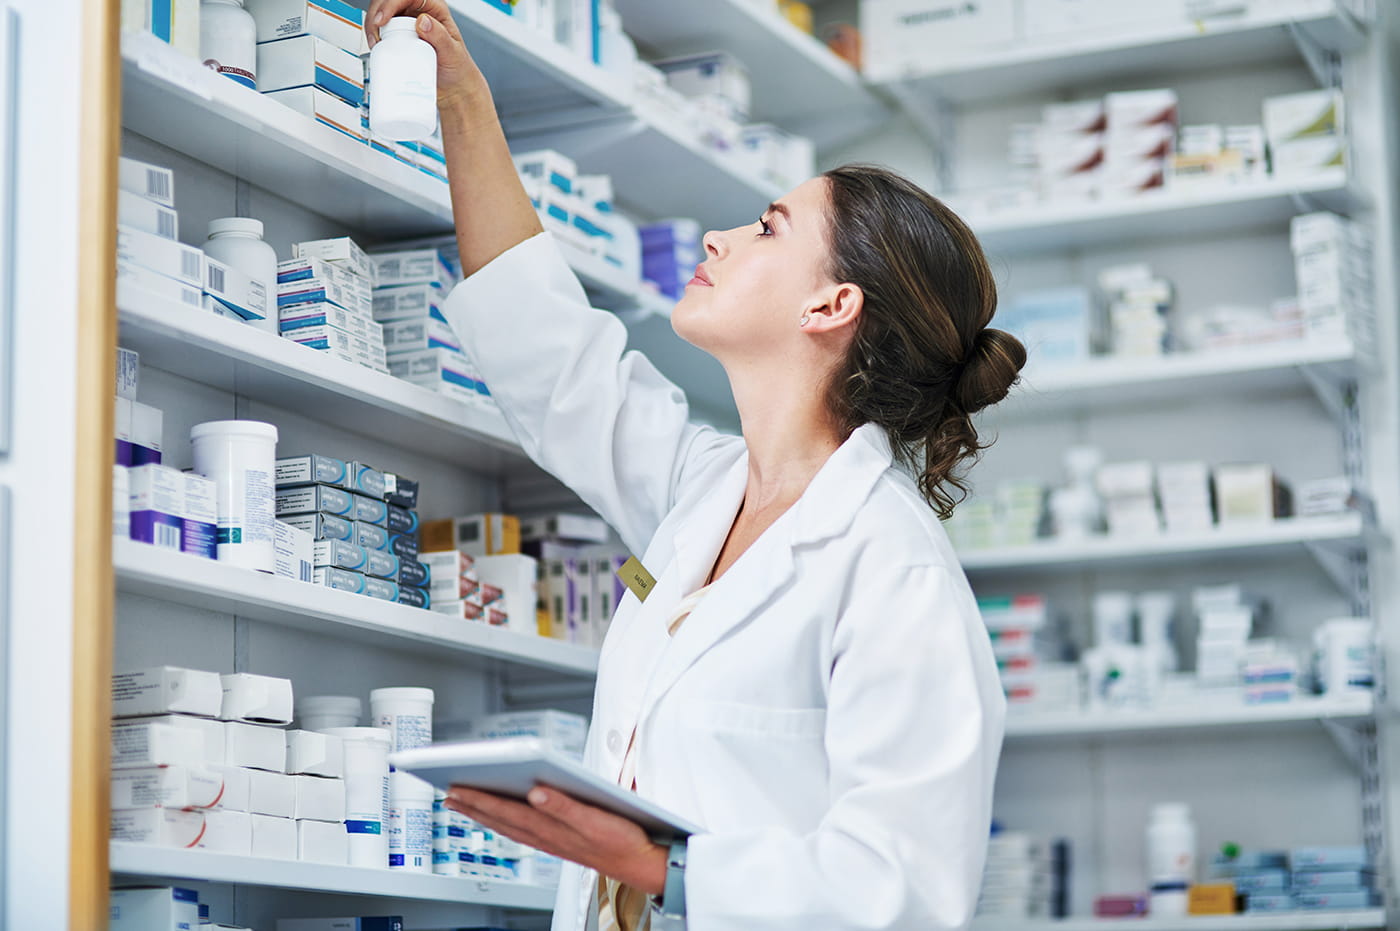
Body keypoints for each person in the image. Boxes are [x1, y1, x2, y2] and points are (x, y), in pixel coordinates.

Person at [366, 3, 1027, 928]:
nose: (720, 239)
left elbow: (904, 889)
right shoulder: (704, 492)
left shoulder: (893, 568)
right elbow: (553, 361)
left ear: (831, 305)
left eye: (767, 228)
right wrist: (461, 100)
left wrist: (653, 863)